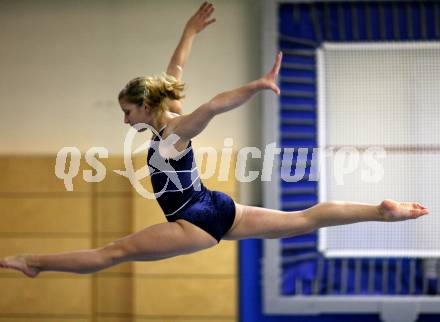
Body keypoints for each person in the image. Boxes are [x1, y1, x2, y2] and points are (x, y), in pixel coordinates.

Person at [0, 2, 429, 278]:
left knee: (110, 254)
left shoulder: (174, 134)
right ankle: (378, 210)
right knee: (303, 220)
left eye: (127, 111)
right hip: (218, 206)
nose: (123, 118)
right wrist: (190, 30)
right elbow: (175, 70)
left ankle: (33, 261)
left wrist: (257, 85)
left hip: (194, 219)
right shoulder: (167, 118)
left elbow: (214, 106)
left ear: (146, 107)